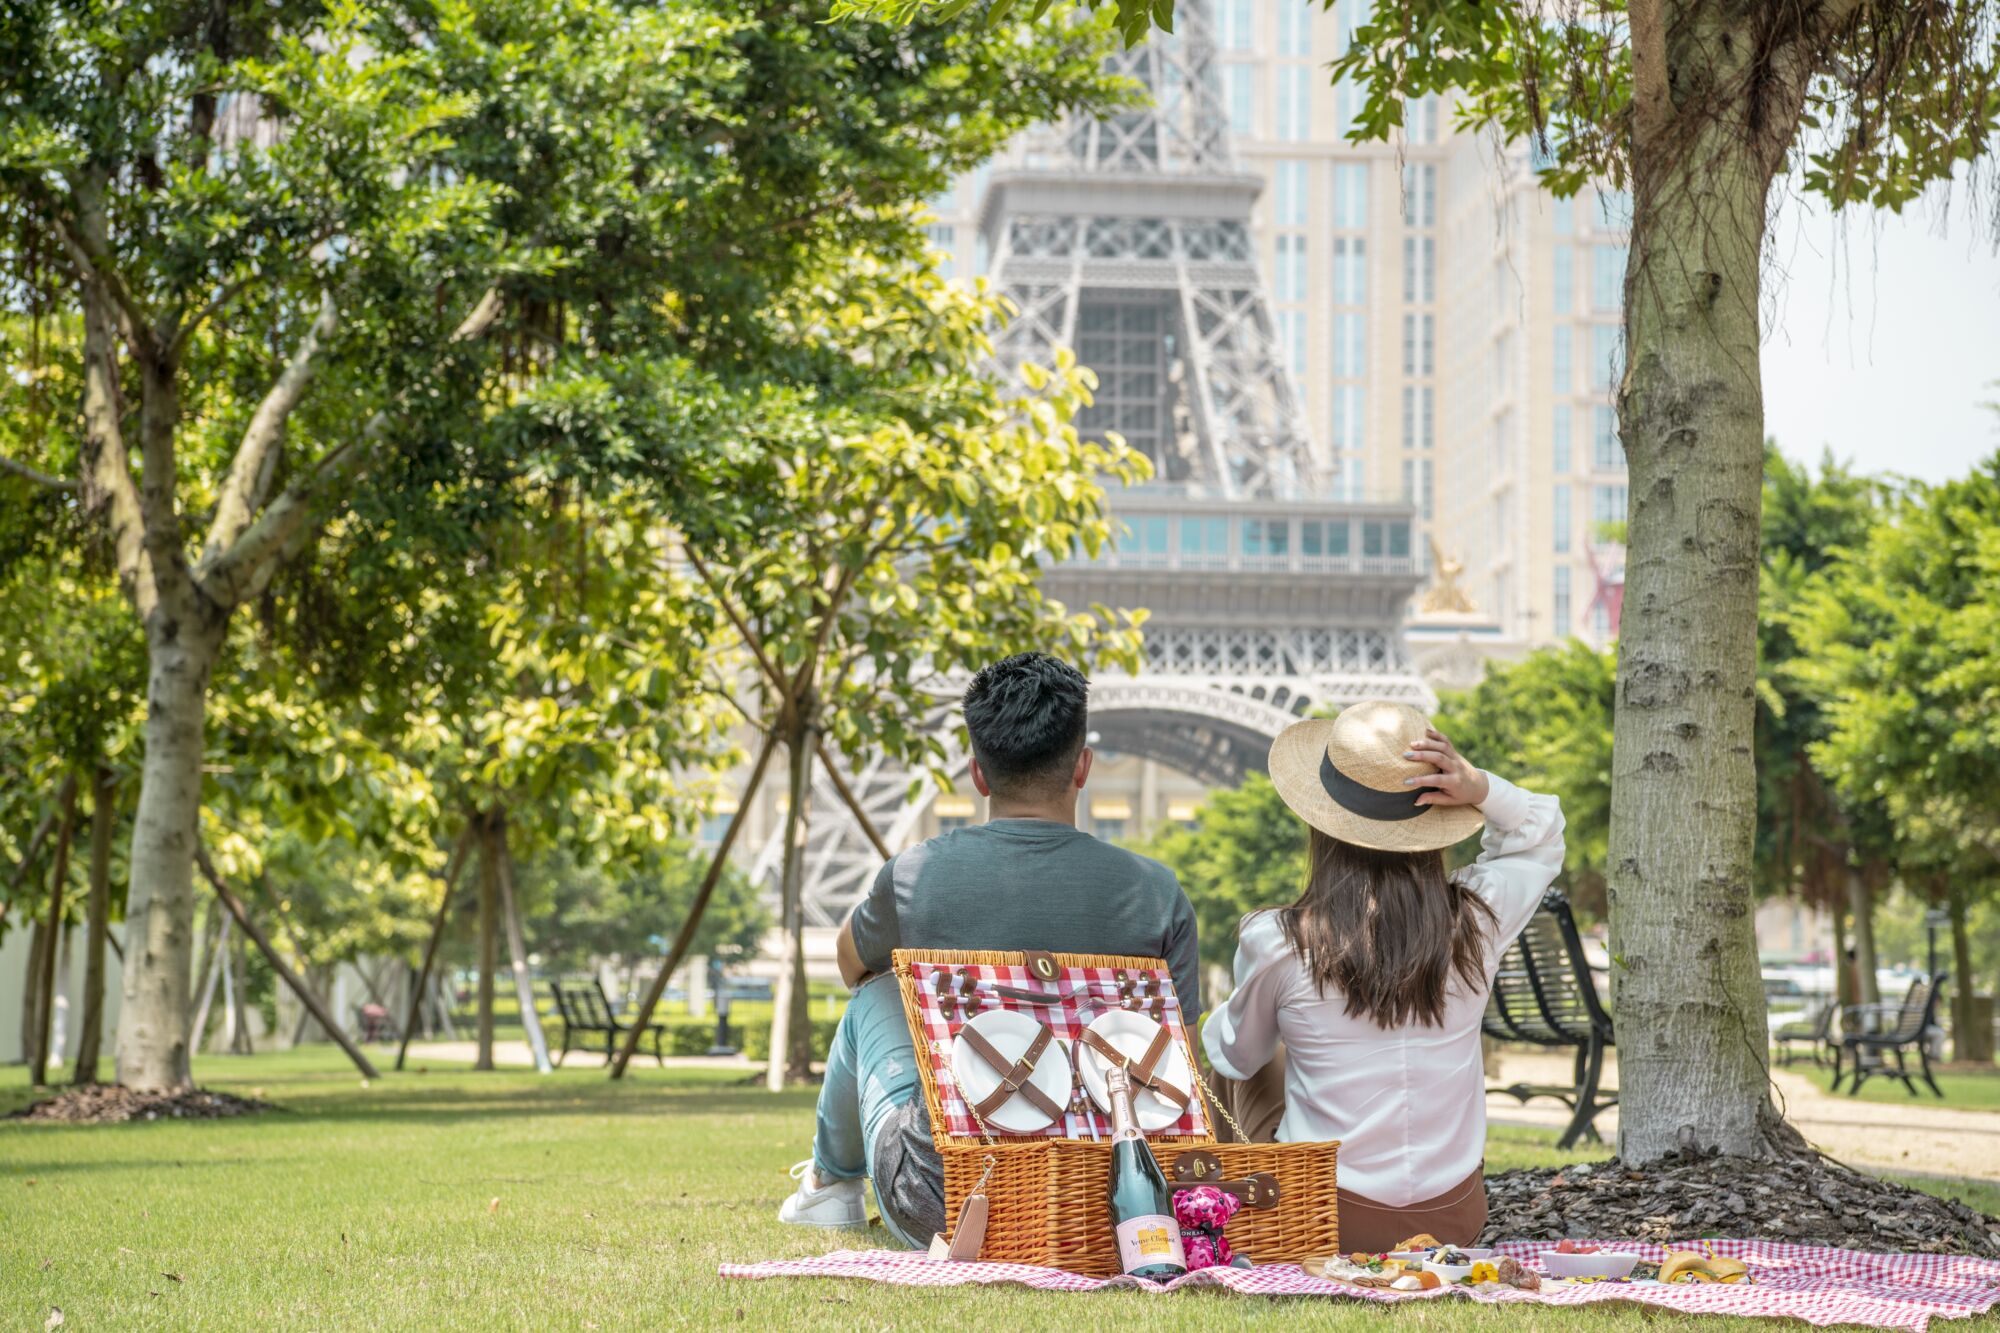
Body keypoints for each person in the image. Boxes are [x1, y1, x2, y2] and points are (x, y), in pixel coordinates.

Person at [778, 652, 1201, 1247]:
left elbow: (849, 962)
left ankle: (831, 1185)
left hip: (945, 1201)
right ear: (1082, 767)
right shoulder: (1157, 892)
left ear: (977, 773)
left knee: (874, 991)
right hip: (1117, 1201)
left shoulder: (914, 876)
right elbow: (1184, 1058)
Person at [1202, 700, 1564, 1253]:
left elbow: (1237, 1059)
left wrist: (1226, 1023)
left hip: (1328, 1215)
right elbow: (1542, 833)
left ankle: (1228, 1214)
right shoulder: (1479, 919)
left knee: (1233, 1051)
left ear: (1323, 825)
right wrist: (1481, 787)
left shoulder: (1279, 938)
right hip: (1453, 1216)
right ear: (1433, 823)